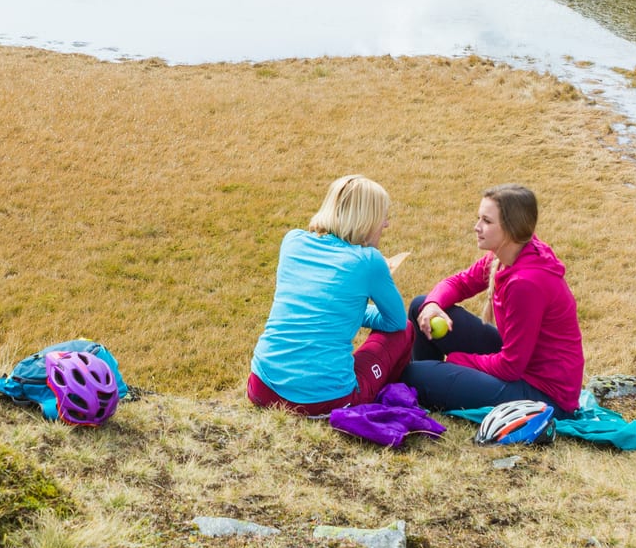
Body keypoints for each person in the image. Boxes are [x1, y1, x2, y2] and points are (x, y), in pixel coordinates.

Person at [407, 184, 584, 417]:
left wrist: (459, 361)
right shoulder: (506, 254)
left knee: (411, 375)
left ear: (511, 229)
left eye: (487, 221)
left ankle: (429, 381)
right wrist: (433, 304)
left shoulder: (526, 284)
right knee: (421, 306)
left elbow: (510, 367)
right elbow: (459, 283)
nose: (477, 227)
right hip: (522, 365)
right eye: (479, 218)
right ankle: (431, 385)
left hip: (543, 396)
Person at [248, 174, 409, 415]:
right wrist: (357, 306)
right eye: (382, 216)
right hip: (323, 400)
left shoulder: (292, 241)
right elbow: (396, 322)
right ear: (367, 219)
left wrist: (348, 309)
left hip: (261, 387)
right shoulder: (369, 261)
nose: (385, 224)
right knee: (405, 331)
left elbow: (313, 303)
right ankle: (394, 393)